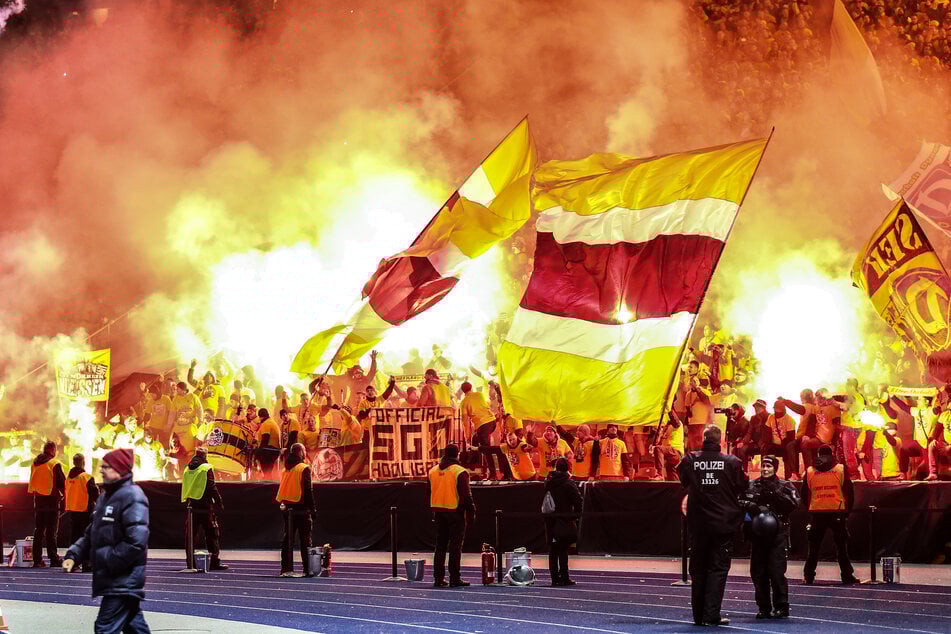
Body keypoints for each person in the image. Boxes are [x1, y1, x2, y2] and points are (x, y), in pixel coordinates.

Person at [64, 448, 150, 633]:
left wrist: (106, 560)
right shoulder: (106, 497)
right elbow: (91, 533)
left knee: (105, 628)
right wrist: (74, 554)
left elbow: (136, 541)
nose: (101, 470)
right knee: (134, 627)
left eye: (106, 467)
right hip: (116, 578)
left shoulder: (132, 496)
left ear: (119, 469)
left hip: (123, 579)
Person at [678, 425, 747, 627]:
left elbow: (683, 482)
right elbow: (742, 486)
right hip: (723, 524)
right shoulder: (732, 462)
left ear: (703, 438)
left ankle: (698, 616)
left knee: (698, 569)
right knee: (717, 569)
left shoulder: (690, 459)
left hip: (698, 523)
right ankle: (711, 615)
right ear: (721, 441)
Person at [739, 455, 800, 619]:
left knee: (777, 571)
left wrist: (776, 494)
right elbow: (739, 503)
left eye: (769, 466)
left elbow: (795, 504)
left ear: (775, 468)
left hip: (777, 535)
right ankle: (764, 607)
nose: (765, 469)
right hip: (757, 536)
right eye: (763, 466)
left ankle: (781, 606)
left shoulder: (785, 485)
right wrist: (748, 506)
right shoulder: (752, 486)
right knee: (758, 573)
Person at [801, 445, 860, 585]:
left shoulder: (809, 471)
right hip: (837, 511)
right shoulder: (840, 469)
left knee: (813, 548)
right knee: (841, 547)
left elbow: (804, 494)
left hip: (817, 512)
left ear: (818, 454)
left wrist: (810, 509)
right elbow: (849, 492)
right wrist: (847, 512)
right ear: (831, 454)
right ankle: (847, 576)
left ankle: (808, 576)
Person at [428, 444, 476, 587]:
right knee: (455, 547)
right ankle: (455, 578)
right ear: (458, 454)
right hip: (455, 512)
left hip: (438, 511)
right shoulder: (460, 471)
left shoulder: (432, 471)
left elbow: (428, 493)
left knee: (440, 546)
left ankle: (438, 578)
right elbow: (466, 496)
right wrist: (471, 512)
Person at [181, 447, 227, 571]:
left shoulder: (187, 468)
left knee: (190, 536)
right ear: (205, 456)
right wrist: (219, 501)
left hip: (192, 506)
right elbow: (212, 486)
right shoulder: (206, 468)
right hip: (206, 506)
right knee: (212, 534)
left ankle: (190, 562)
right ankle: (214, 562)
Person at [275, 443, 316, 577]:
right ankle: (307, 569)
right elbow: (308, 490)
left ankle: (285, 568)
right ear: (301, 452)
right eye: (304, 451)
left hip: (287, 508)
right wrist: (312, 509)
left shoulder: (286, 469)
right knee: (305, 540)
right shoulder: (304, 468)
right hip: (302, 508)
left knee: (288, 539)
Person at [543, 457, 583, 586]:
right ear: (568, 468)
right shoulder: (568, 483)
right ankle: (564, 576)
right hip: (565, 518)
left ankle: (554, 578)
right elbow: (578, 501)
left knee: (553, 550)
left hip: (551, 519)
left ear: (556, 467)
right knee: (563, 548)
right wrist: (575, 515)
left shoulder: (548, 482)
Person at [28, 440, 66, 567]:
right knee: (51, 531)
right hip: (51, 500)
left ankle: (37, 560)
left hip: (38, 499)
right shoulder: (54, 463)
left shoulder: (35, 463)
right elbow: (62, 483)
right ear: (52, 450)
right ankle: (54, 559)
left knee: (39, 530)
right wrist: (63, 495)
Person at [64, 453, 100, 572]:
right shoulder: (86, 477)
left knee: (74, 539)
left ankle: (72, 563)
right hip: (85, 511)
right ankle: (87, 563)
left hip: (73, 510)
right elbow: (95, 494)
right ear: (83, 462)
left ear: (74, 462)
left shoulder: (69, 477)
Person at [651, 411, 684, 481]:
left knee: (658, 449)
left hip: (676, 452)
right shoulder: (665, 429)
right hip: (670, 458)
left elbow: (674, 418)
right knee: (673, 480)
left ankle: (659, 475)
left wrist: (669, 408)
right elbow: (659, 446)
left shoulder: (677, 424)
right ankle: (677, 490)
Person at [255, 408, 282, 480]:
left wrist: (258, 451)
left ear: (260, 417)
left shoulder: (266, 424)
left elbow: (265, 439)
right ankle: (267, 477)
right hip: (275, 450)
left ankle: (263, 476)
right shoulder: (271, 421)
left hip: (270, 450)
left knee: (255, 453)